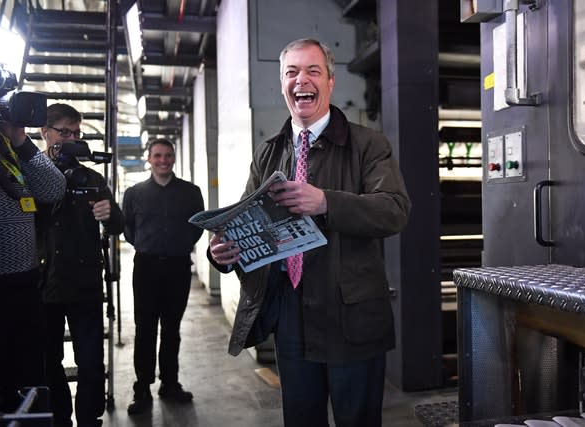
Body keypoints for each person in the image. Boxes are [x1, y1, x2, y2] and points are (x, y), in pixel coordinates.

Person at [208, 38, 412, 426]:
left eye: (313, 70)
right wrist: (224, 249)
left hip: (350, 318)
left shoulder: (368, 144)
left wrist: (326, 203)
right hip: (291, 315)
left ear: (331, 82)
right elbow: (244, 220)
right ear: (282, 83)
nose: (302, 79)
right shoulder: (269, 153)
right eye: (292, 72)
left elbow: (395, 210)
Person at [0, 92, 66, 411]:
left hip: (24, 288)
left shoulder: (6, 147)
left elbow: (54, 189)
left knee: (30, 392)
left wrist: (21, 140)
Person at [35, 103, 123, 427]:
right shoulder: (29, 174)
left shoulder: (92, 178)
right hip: (44, 283)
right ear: (46, 133)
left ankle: (89, 420)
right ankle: (59, 419)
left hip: (84, 285)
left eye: (77, 133)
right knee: (48, 362)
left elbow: (118, 226)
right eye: (65, 132)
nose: (72, 138)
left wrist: (109, 213)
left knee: (90, 362)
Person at [122, 138, 205, 415]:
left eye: (168, 155)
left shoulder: (191, 192)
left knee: (172, 329)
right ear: (149, 158)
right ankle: (142, 389)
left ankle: (170, 384)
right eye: (157, 155)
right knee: (145, 329)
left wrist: (177, 245)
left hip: (178, 266)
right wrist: (149, 245)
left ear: (173, 157)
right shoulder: (134, 193)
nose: (163, 160)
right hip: (145, 266)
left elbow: (197, 228)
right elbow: (128, 230)